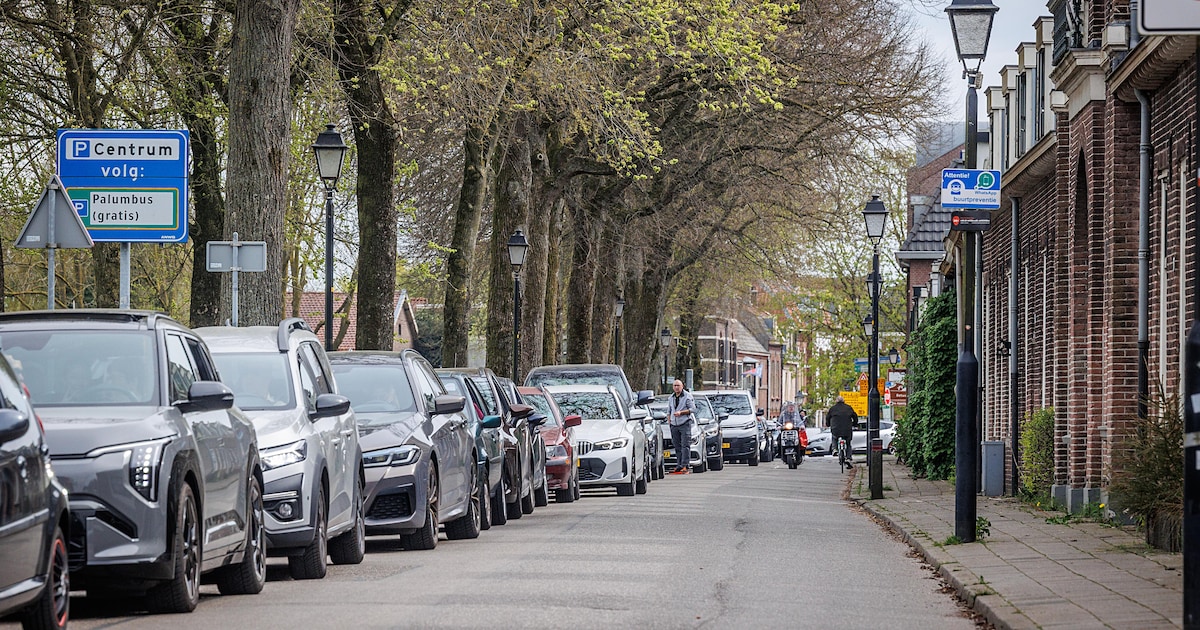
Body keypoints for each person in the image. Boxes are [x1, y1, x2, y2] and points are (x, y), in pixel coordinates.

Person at [666, 379, 696, 474]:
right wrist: (669, 420)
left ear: (682, 386)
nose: (676, 387)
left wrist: (681, 413)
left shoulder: (687, 396)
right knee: (677, 446)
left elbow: (693, 409)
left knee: (685, 445)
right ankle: (679, 465)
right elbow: (669, 410)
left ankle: (685, 465)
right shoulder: (671, 398)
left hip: (684, 423)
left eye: (678, 385)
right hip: (674, 424)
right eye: (675, 386)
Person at [827, 395, 858, 467]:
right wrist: (855, 424)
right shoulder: (848, 408)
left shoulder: (832, 409)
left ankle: (834, 449)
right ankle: (848, 457)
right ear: (844, 401)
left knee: (834, 438)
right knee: (848, 443)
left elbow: (828, 417)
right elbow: (855, 416)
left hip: (835, 429)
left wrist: (828, 424)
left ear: (836, 401)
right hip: (847, 429)